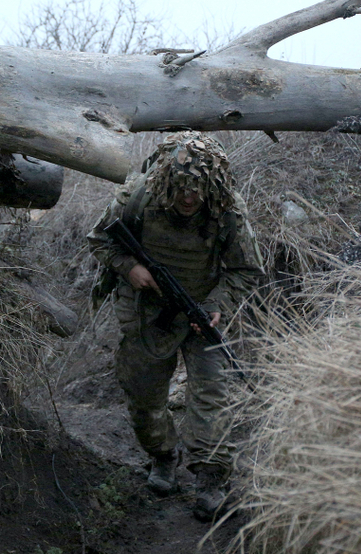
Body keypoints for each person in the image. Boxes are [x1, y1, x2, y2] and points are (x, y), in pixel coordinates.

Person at [87, 132, 264, 521]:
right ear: (168, 182)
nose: (188, 198)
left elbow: (246, 270)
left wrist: (217, 305)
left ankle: (210, 480)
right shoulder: (138, 197)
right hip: (149, 312)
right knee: (144, 396)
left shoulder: (227, 210)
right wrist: (129, 267)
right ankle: (163, 457)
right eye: (182, 189)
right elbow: (100, 239)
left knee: (214, 395)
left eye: (197, 191)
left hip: (203, 314)